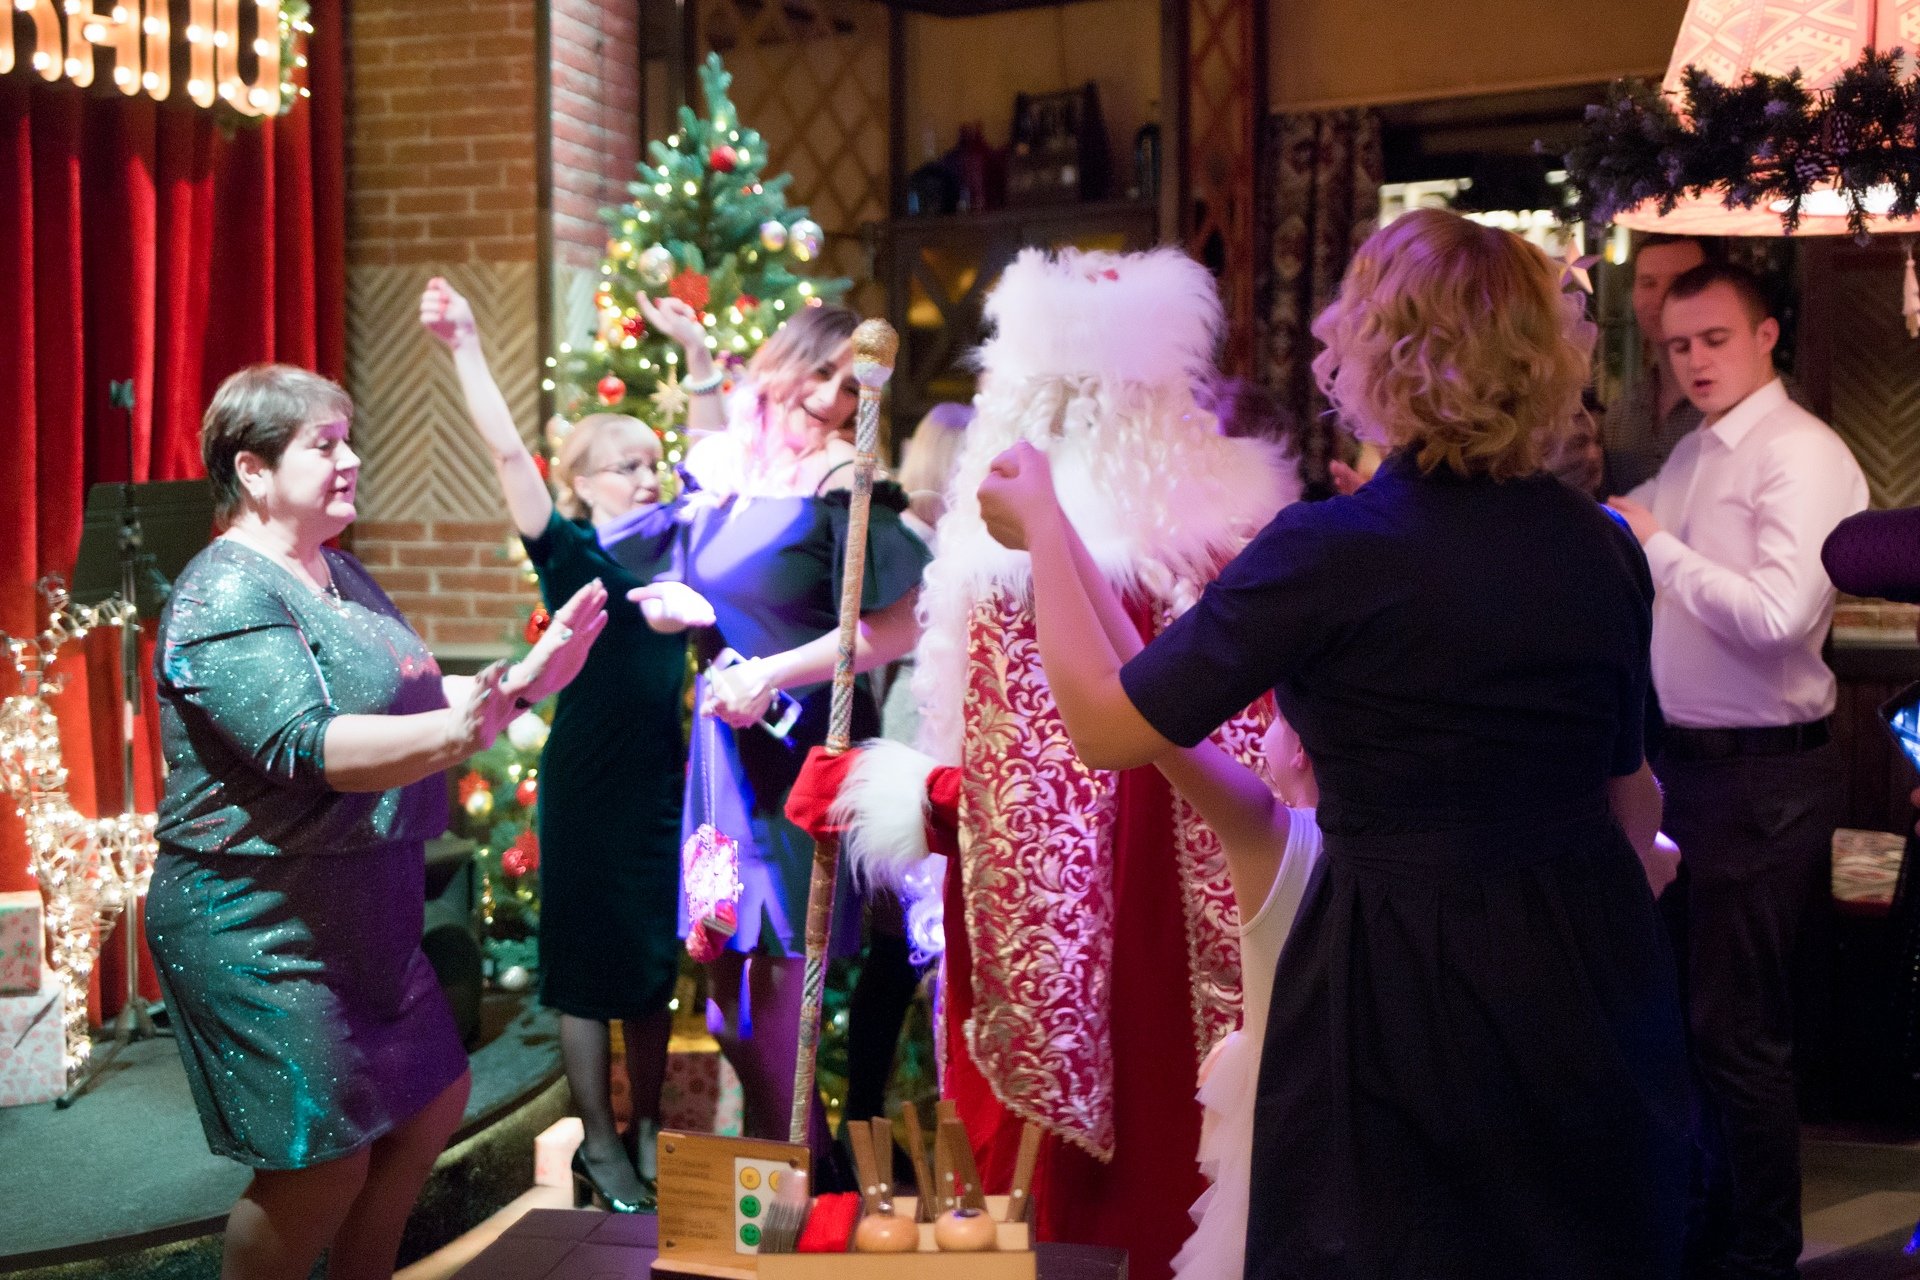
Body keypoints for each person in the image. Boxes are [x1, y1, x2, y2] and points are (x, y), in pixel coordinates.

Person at [980, 210, 1691, 1277]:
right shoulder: (1602, 547)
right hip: (1587, 965)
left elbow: (1107, 724)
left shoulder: (1331, 550)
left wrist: (1042, 532)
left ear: (1385, 353)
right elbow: (1634, 805)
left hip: (1399, 976)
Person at [819, 246, 1300, 1280]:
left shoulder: (1024, 562)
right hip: (1227, 937)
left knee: (1080, 1222)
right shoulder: (1236, 537)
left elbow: (1030, 811)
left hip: (1107, 985)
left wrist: (904, 796)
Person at [146, 364, 606, 1280]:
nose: (351, 458)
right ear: (252, 470)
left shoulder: (337, 572)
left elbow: (415, 701)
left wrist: (522, 685)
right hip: (259, 917)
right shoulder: (222, 593)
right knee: (320, 1165)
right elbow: (308, 746)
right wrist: (463, 730)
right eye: (324, 445)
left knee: (433, 1103)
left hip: (361, 904)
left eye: (348, 438)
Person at [420, 279, 712, 1213]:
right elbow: (508, 450)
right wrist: (466, 343)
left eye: (652, 462)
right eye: (626, 466)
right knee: (587, 972)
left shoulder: (680, 550)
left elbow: (715, 459)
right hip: (588, 785)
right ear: (580, 483)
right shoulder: (569, 553)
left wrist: (699, 356)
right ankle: (599, 1142)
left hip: (661, 787)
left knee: (651, 969)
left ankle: (651, 1126)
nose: (647, 477)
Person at [1609, 261, 1869, 1279]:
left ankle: (1761, 1256)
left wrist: (1657, 546)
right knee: (1685, 1025)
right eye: (1678, 345)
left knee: (1738, 1033)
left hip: (1766, 778)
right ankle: (1706, 1238)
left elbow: (1778, 618)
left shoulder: (1800, 452)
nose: (1695, 360)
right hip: (1686, 768)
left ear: (1767, 336)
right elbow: (1619, 528)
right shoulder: (1694, 450)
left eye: (1714, 338)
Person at [643, 296, 932, 1145]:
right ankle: (804, 1177)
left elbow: (901, 627)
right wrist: (683, 604)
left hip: (792, 751)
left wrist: (771, 671)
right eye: (822, 372)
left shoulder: (846, 479)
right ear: (784, 360)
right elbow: (705, 492)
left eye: (852, 389)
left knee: (774, 1003)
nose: (831, 399)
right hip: (720, 758)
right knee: (728, 1010)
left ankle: (794, 1194)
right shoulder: (735, 468)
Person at [1602, 233, 1712, 493]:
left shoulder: (1750, 402)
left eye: (1679, 282)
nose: (1662, 298)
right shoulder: (1622, 413)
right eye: (1648, 283)